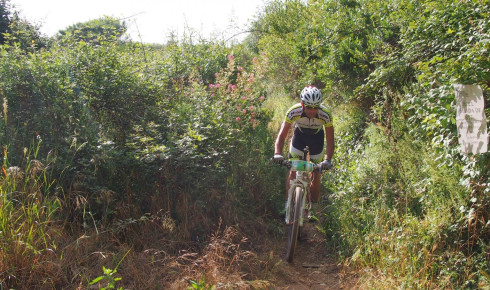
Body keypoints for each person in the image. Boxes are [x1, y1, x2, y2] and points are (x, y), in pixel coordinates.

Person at [273, 86, 334, 209]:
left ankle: (314, 207)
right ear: (302, 104)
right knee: (292, 171)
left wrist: (327, 160)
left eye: (315, 107)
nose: (312, 111)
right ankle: (288, 206)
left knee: (317, 173)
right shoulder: (293, 111)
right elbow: (282, 135)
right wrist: (277, 153)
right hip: (299, 136)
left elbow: (330, 140)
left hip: (317, 138)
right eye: (309, 107)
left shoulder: (325, 114)